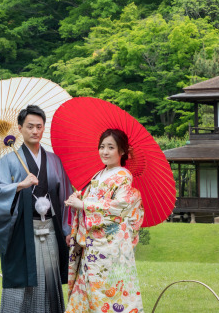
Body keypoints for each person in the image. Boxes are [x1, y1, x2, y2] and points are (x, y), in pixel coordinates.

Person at [0, 104, 74, 313]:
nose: (35, 131)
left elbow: (65, 196)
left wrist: (68, 230)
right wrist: (19, 185)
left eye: (39, 126)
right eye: (30, 126)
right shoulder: (9, 160)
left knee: (49, 278)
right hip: (23, 231)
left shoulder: (54, 160)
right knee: (22, 282)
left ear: (43, 128)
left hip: (50, 229)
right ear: (19, 129)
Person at [64, 128, 144, 313]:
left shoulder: (123, 176)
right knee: (88, 289)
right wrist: (79, 198)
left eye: (110, 147)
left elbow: (119, 207)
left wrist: (84, 204)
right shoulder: (99, 175)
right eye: (102, 147)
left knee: (107, 293)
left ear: (122, 151)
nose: (105, 152)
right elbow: (92, 201)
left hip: (109, 248)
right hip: (92, 246)